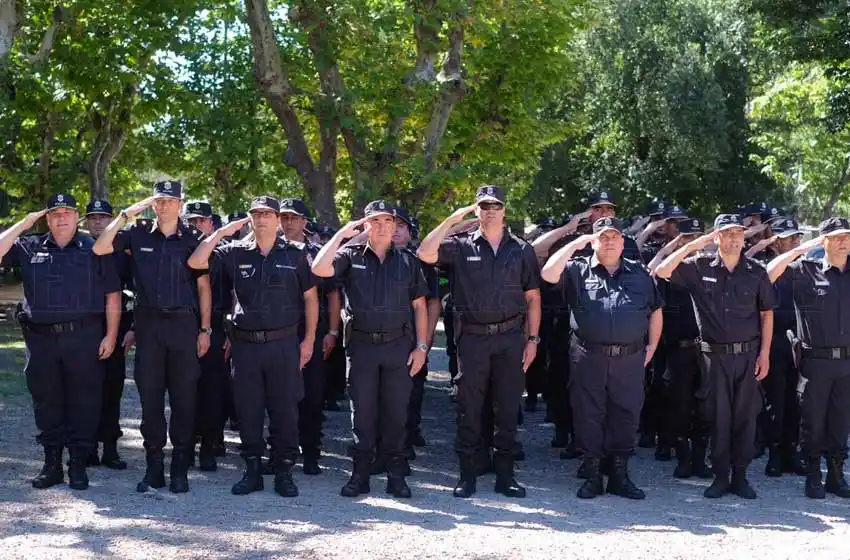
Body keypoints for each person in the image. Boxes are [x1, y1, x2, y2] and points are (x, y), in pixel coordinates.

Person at [188, 195, 318, 497]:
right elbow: (196, 261)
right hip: (246, 346)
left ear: (278, 220)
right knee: (248, 410)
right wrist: (223, 232)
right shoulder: (235, 252)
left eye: (267, 214)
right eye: (256, 214)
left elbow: (311, 299)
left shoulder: (296, 254)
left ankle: (284, 471)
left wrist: (309, 340)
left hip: (283, 344)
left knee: (284, 410)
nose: (261, 219)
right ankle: (252, 471)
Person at [418, 185, 541, 499]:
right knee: (469, 409)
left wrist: (532, 339)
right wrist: (453, 219)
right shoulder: (460, 246)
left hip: (510, 337)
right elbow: (425, 252)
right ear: (476, 210)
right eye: (483, 206)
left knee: (507, 408)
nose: (490, 211)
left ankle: (505, 477)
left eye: (495, 205)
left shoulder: (521, 249)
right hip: (472, 338)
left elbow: (533, 297)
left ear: (504, 210)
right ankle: (467, 476)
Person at [93, 180, 212, 494]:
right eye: (158, 200)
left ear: (180, 204)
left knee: (184, 400)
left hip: (184, 326)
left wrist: (205, 329)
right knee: (151, 400)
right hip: (149, 326)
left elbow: (204, 288)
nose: (163, 206)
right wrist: (125, 215)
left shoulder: (193, 238)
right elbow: (100, 247)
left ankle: (180, 469)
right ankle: (154, 468)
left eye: (170, 200)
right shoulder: (138, 232)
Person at [0, 194, 121, 490]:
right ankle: (51, 464)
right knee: (46, 401)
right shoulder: (29, 246)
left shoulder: (95, 248)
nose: (61, 218)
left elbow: (112, 294)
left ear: (77, 217)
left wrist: (111, 335)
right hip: (41, 339)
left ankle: (78, 465)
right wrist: (24, 223)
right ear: (47, 219)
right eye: (55, 214)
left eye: (67, 213)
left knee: (85, 401)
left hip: (83, 336)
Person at [312, 200, 429, 499]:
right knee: (362, 415)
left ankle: (396, 476)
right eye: (375, 221)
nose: (382, 227)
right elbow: (319, 268)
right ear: (365, 226)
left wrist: (421, 346)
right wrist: (342, 235)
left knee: (396, 415)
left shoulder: (407, 262)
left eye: (388, 221)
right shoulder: (349, 256)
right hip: (362, 347)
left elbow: (420, 306)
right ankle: (360, 475)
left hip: (398, 346)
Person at [654, 213, 775, 499]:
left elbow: (766, 314)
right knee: (718, 419)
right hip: (714, 358)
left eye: (739, 234)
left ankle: (740, 477)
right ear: (716, 237)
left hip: (747, 357)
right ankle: (721, 476)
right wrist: (694, 245)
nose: (735, 239)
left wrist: (765, 354)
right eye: (728, 233)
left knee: (745, 418)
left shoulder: (756, 270)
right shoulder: (699, 266)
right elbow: (661, 271)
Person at [542, 217, 663, 499]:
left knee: (626, 414)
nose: (609, 242)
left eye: (614, 237)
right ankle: (593, 474)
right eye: (603, 237)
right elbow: (548, 274)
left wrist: (652, 347)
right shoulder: (577, 269)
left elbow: (655, 310)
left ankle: (619, 474)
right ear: (593, 241)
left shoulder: (639, 273)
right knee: (588, 414)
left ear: (623, 241)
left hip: (629, 358)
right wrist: (577, 242)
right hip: (588, 356)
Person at [766, 217, 850, 499]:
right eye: (836, 237)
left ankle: (836, 476)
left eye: (847, 236)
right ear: (823, 241)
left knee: (841, 421)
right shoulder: (805, 270)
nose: (843, 241)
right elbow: (768, 274)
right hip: (816, 362)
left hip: (847, 362)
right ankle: (813, 474)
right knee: (813, 420)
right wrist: (801, 249)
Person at [279, 197, 341, 475]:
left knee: (312, 396)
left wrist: (332, 331)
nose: (289, 222)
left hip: (312, 332)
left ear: (304, 222)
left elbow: (333, 295)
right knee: (280, 396)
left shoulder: (317, 253)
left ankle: (311, 452)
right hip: (280, 331)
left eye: (294, 217)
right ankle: (281, 451)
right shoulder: (271, 249)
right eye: (284, 217)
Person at [647, 218, 713, 479]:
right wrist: (677, 247)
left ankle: (700, 459)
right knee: (678, 406)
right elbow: (652, 271)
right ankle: (681, 456)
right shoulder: (670, 270)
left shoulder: (708, 267)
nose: (693, 243)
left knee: (706, 408)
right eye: (687, 238)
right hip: (677, 351)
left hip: (707, 351)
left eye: (697, 237)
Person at [746, 219, 807, 477]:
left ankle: (791, 453)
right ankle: (774, 454)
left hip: (800, 342)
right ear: (777, 242)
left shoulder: (804, 268)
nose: (795, 242)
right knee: (775, 403)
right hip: (775, 342)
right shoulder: (764, 268)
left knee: (797, 403)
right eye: (790, 238)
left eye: (797, 238)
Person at [84, 199, 134, 470]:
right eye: (92, 217)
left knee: (112, 390)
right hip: (83, 329)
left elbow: (137, 292)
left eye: (103, 217)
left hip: (116, 329)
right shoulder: (79, 249)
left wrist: (132, 329)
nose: (97, 221)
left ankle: (111, 449)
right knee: (84, 391)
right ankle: (87, 448)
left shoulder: (122, 252)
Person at [184, 200, 231, 470]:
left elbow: (236, 293)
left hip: (216, 325)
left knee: (213, 391)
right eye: (190, 221)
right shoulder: (180, 249)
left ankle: (210, 445)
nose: (195, 225)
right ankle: (187, 444)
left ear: (212, 224)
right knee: (184, 389)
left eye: (200, 221)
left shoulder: (224, 254)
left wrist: (231, 332)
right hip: (184, 325)